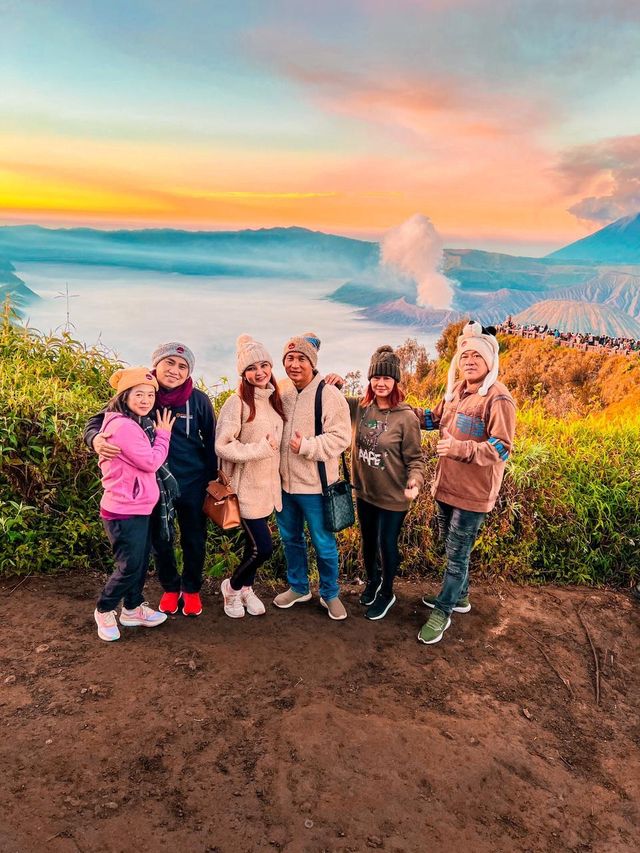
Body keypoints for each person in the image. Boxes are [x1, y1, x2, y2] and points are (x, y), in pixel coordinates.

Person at [84, 343, 216, 617]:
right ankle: (170, 587)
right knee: (160, 540)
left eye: (182, 366)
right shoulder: (141, 393)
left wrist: (211, 481)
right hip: (151, 484)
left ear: (189, 372)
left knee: (194, 538)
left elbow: (211, 441)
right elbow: (99, 420)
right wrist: (94, 439)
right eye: (170, 363)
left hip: (192, 482)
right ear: (157, 365)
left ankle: (191, 589)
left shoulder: (199, 400)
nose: (175, 370)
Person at [418, 321, 516, 645]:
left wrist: (461, 449)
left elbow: (502, 447)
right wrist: (398, 411)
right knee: (452, 546)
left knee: (456, 554)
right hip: (447, 486)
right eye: (465, 356)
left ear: (490, 361)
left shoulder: (498, 399)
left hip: (473, 494)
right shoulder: (456, 391)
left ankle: (443, 610)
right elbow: (433, 419)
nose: (469, 361)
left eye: (477, 356)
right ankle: (460, 597)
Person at [93, 367, 176, 641]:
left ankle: (131, 608)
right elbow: (152, 462)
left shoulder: (133, 422)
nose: (145, 400)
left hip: (137, 507)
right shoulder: (124, 427)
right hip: (123, 510)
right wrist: (164, 434)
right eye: (138, 394)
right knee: (129, 565)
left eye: (150, 395)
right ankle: (105, 609)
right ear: (124, 396)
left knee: (139, 562)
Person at [273, 332, 352, 620]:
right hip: (283, 485)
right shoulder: (280, 389)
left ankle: (330, 593)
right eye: (289, 358)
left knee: (323, 543)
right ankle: (299, 587)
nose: (294, 364)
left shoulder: (329, 394)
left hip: (317, 486)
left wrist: (307, 447)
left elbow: (342, 437)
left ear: (312, 362)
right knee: (290, 538)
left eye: (301, 359)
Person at [343, 346, 424, 620]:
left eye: (387, 378)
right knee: (367, 543)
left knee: (385, 543)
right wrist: (327, 378)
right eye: (376, 377)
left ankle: (388, 592)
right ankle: (373, 582)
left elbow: (416, 459)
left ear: (396, 381)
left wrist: (414, 481)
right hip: (365, 492)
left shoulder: (406, 417)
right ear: (370, 379)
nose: (380, 383)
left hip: (393, 496)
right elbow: (329, 400)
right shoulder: (361, 408)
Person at [215, 335, 285, 618]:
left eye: (265, 365)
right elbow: (223, 445)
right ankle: (231, 589)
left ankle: (246, 588)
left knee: (252, 546)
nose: (260, 372)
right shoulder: (237, 403)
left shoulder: (272, 400)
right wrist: (260, 449)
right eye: (253, 367)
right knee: (263, 549)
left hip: (267, 489)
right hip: (244, 490)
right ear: (243, 373)